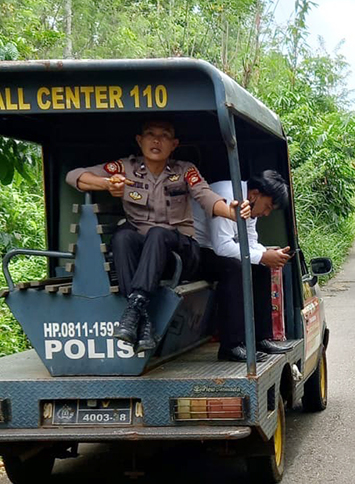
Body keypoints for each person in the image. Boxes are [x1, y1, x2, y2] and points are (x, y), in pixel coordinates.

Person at [66, 119, 250, 351]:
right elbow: (75, 176)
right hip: (147, 262)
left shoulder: (185, 170)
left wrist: (230, 211)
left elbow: (206, 196)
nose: (156, 140)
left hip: (180, 255)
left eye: (164, 136)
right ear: (139, 141)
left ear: (174, 144)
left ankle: (134, 313)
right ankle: (141, 322)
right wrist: (106, 184)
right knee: (123, 238)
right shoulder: (126, 168)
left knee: (159, 234)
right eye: (150, 134)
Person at [197, 172, 294, 362]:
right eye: (267, 207)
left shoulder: (250, 202)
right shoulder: (228, 196)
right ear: (255, 194)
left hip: (215, 250)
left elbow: (250, 240)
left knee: (261, 268)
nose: (266, 214)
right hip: (196, 249)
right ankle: (231, 346)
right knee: (234, 269)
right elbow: (222, 246)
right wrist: (263, 256)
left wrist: (270, 254)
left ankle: (260, 339)